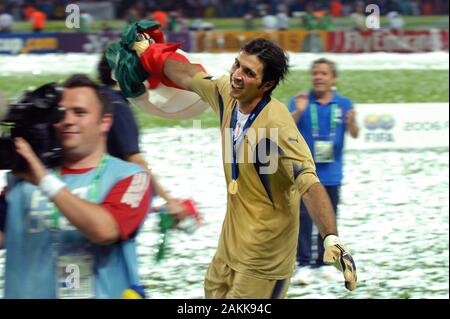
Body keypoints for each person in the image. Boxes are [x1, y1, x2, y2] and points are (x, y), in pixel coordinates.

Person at [131, 35, 357, 298]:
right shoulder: (227, 92)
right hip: (229, 249)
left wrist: (331, 236)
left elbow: (308, 182)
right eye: (237, 65)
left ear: (267, 84)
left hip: (265, 258)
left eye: (248, 73)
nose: (237, 75)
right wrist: (151, 55)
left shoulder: (278, 126)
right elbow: (189, 75)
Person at [0, 74, 152, 298]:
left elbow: (105, 230)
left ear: (105, 122)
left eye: (80, 113)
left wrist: (44, 180)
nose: (68, 121)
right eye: (61, 113)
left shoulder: (130, 177)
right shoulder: (23, 178)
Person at [288, 58, 359, 285]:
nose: (318, 77)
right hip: (304, 173)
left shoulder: (344, 104)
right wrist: (298, 112)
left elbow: (355, 133)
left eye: (324, 73)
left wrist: (351, 123)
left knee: (328, 218)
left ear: (333, 78)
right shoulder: (300, 101)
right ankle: (304, 263)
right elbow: (285, 130)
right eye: (315, 73)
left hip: (332, 173)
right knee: (304, 219)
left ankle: (323, 262)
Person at [97, 53, 185, 216]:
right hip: (109, 199)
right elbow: (135, 161)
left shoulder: (97, 98)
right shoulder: (119, 108)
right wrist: (169, 200)